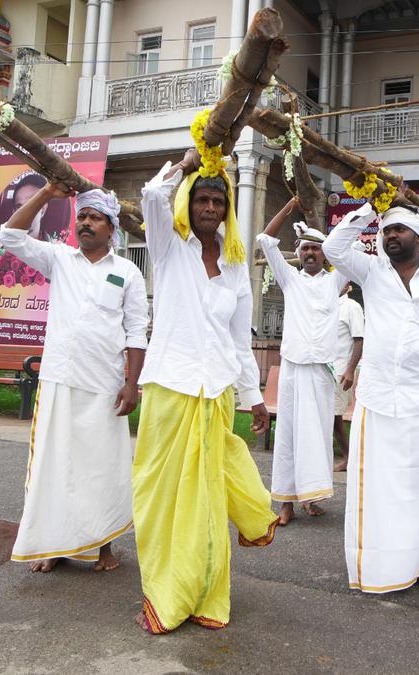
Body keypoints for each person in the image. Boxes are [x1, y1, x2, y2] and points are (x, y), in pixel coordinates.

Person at [132, 149, 277, 633]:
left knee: (207, 503)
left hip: (215, 392)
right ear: (189, 204)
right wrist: (189, 164)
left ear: (228, 208)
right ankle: (164, 591)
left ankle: (202, 591)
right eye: (203, 200)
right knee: (161, 495)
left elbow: (238, 341)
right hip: (169, 389)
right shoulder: (169, 247)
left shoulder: (237, 267)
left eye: (219, 200)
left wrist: (253, 396)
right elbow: (151, 194)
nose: (211, 208)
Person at [322, 199, 419, 598]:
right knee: (374, 486)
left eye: (399, 229)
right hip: (376, 399)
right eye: (386, 230)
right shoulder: (370, 271)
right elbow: (333, 248)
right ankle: (374, 563)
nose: (390, 235)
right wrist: (372, 205)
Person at [0, 185, 148, 573]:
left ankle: (102, 547)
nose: (85, 223)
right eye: (82, 216)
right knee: (55, 466)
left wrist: (132, 384)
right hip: (60, 380)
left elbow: (136, 332)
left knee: (102, 468)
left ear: (111, 228)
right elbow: (10, 236)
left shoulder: (127, 272)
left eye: (95, 217)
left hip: (105, 385)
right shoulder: (59, 258)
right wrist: (48, 193)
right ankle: (53, 545)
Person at [256, 198, 344, 525]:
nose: (310, 254)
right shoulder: (290, 279)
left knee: (317, 437)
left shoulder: (336, 281)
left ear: (325, 255)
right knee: (290, 437)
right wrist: (290, 204)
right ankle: (287, 505)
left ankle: (311, 498)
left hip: (320, 372)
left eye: (316, 250)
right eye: (305, 249)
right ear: (299, 253)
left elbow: (349, 252)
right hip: (292, 369)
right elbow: (265, 239)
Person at [332, 282, 364, 472]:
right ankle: (348, 456)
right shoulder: (328, 304)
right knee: (331, 418)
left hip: (341, 370)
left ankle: (348, 457)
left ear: (348, 287)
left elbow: (359, 340)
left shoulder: (352, 307)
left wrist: (350, 370)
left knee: (333, 417)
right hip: (324, 369)